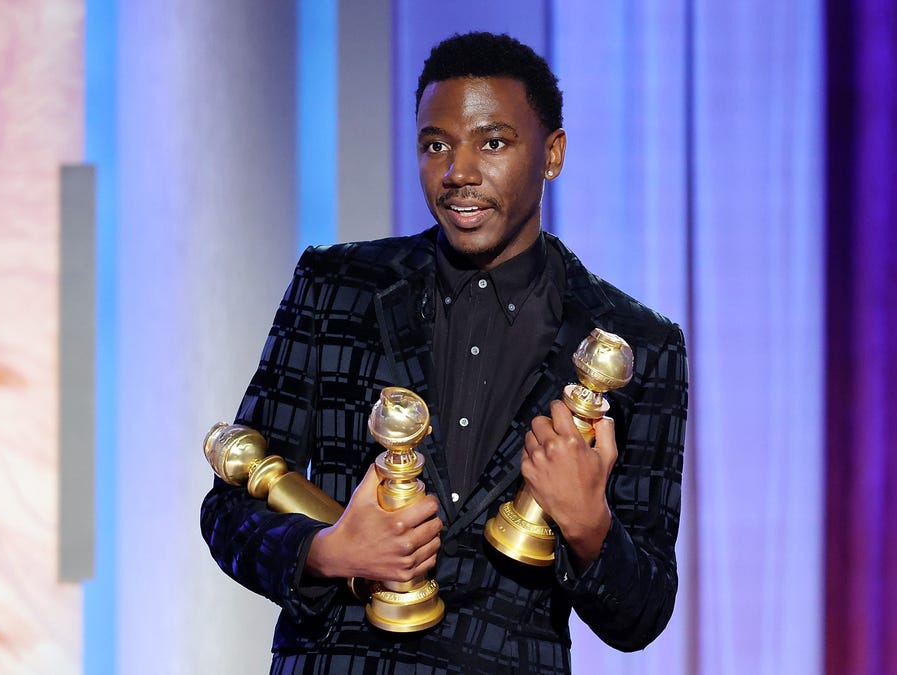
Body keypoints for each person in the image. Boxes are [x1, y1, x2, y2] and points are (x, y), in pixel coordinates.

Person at [201, 31, 687, 674]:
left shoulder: (636, 344)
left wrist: (586, 522)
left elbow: (643, 614)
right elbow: (229, 509)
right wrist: (328, 551)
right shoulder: (335, 287)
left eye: (493, 142)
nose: (459, 172)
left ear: (553, 154)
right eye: (437, 144)